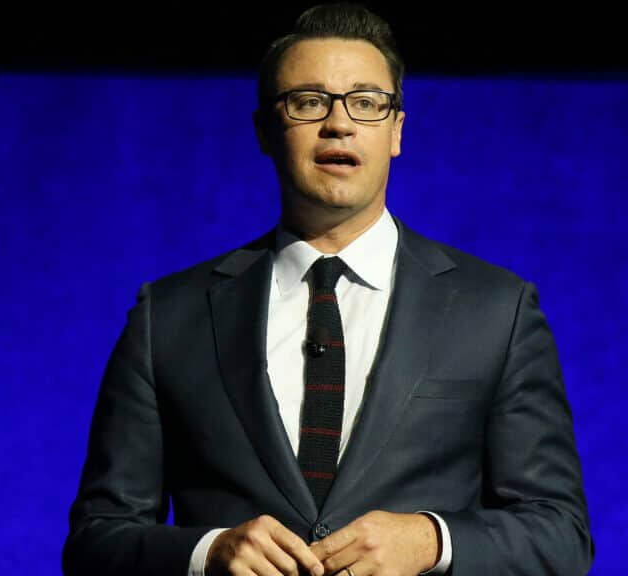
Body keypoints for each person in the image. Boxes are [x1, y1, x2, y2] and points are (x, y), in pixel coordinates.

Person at [62, 3, 594, 575]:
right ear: (266, 130)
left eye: (367, 103)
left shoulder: (497, 310)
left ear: (396, 131)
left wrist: (430, 541)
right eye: (309, 101)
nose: (339, 123)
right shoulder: (167, 316)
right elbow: (97, 540)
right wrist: (206, 552)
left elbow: (560, 535)